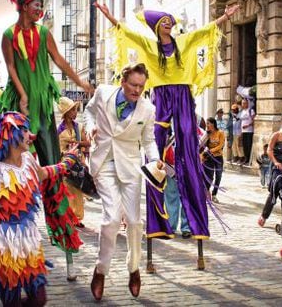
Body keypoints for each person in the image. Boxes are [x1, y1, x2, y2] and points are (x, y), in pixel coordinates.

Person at [95, 1, 239, 239]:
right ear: (156, 26)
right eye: (164, 22)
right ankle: (160, 221)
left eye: (170, 21)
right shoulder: (150, 46)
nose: (169, 24)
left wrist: (224, 17)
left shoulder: (182, 42)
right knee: (156, 150)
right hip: (162, 94)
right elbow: (128, 34)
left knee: (188, 148)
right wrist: (111, 18)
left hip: (182, 93)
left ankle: (192, 219)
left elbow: (203, 31)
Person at [0, 0, 92, 278]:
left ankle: (68, 255)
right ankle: (8, 252)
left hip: (42, 107)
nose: (40, 9)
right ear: (23, 6)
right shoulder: (7, 35)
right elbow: (12, 67)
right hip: (19, 107)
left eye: (42, 5)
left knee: (53, 176)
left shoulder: (43, 33)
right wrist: (23, 95)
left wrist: (80, 82)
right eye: (36, 5)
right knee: (10, 175)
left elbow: (60, 60)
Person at [0, 111, 82, 306]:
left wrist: (67, 161)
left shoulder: (27, 159)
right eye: (25, 131)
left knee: (39, 299)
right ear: (11, 135)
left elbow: (43, 173)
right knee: (12, 303)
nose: (31, 135)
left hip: (27, 241)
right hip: (0, 245)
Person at [84, 63, 162, 300]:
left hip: (130, 166)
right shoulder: (103, 93)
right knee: (112, 218)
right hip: (103, 162)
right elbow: (88, 111)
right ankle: (101, 270)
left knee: (136, 222)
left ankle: (134, 268)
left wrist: (156, 160)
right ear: (123, 82)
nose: (137, 90)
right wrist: (90, 127)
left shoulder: (148, 109)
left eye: (141, 86)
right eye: (133, 85)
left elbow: (148, 141)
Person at [57, 97, 90, 228]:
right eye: (73, 110)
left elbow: (87, 143)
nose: (75, 113)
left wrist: (77, 144)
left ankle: (77, 217)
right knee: (68, 191)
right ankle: (69, 217)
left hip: (78, 163)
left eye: (76, 110)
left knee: (78, 191)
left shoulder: (79, 127)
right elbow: (58, 149)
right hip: (65, 164)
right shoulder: (59, 130)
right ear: (66, 113)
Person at [163, 132, 191, 239]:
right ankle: (171, 226)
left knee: (187, 199)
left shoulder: (192, 130)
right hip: (170, 169)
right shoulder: (165, 128)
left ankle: (186, 227)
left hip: (186, 169)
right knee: (170, 198)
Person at [201, 117, 225, 203]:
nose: (207, 125)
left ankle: (214, 194)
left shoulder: (220, 133)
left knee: (218, 176)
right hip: (208, 157)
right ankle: (207, 193)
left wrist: (211, 150)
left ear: (213, 124)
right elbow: (201, 145)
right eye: (206, 124)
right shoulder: (207, 134)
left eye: (208, 123)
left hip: (218, 157)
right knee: (209, 176)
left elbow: (221, 145)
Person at [239, 98, 255, 165]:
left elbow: (254, 121)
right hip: (243, 131)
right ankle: (246, 158)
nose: (243, 104)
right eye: (242, 103)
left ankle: (249, 159)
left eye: (245, 103)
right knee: (244, 145)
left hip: (249, 131)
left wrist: (248, 125)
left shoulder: (251, 111)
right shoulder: (242, 111)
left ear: (248, 103)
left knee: (249, 145)